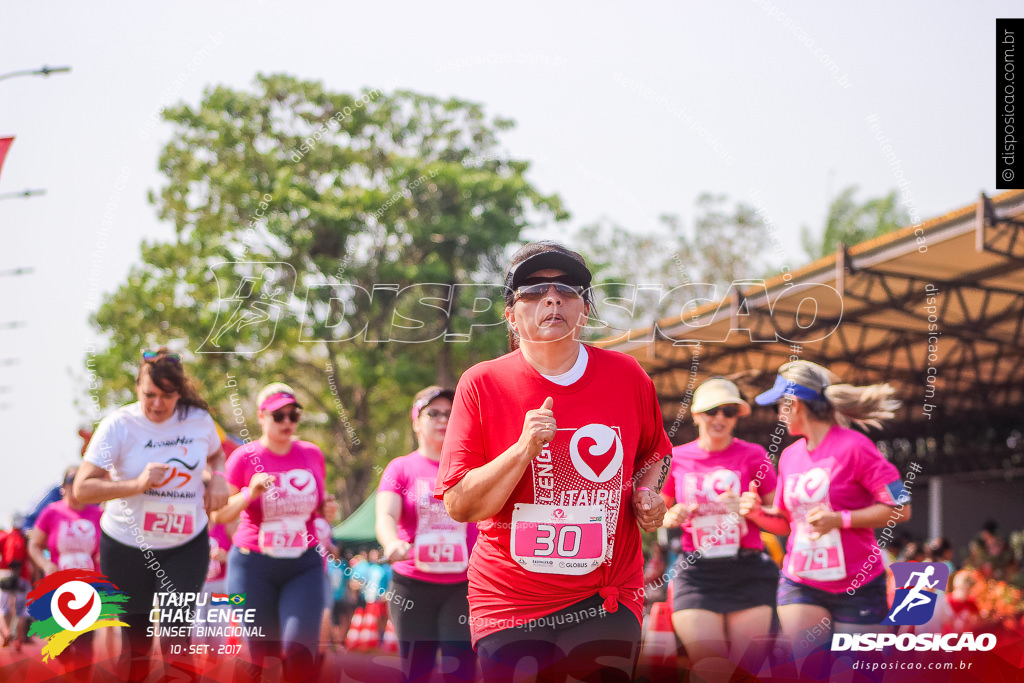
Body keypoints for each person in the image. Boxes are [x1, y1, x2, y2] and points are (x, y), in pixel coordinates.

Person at [436, 241, 674, 682]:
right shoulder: (481, 384)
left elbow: (655, 452)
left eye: (568, 289)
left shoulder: (627, 376)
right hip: (510, 603)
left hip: (606, 598)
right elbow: (460, 505)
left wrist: (646, 493)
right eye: (533, 289)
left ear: (584, 310)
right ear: (510, 313)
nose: (552, 298)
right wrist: (522, 450)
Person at [741, 360, 912, 666]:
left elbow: (901, 506)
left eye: (780, 404)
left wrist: (842, 519)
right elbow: (784, 523)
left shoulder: (856, 447)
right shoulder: (790, 457)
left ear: (795, 405)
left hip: (859, 585)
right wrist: (756, 513)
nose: (778, 413)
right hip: (801, 583)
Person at [74, 348, 229, 678]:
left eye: (168, 396)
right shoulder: (119, 425)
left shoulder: (199, 420)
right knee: (137, 647)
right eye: (150, 395)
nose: (158, 404)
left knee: (177, 638)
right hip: (127, 546)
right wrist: (137, 484)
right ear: (137, 387)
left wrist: (218, 478)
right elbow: (83, 488)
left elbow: (217, 456)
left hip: (185, 545)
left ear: (180, 392)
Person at [661, 378, 778, 679]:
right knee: (710, 669)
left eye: (729, 411)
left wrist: (752, 511)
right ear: (698, 415)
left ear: (737, 416)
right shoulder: (677, 457)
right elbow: (655, 514)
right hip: (697, 574)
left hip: (748, 570)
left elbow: (782, 521)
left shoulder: (754, 455)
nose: (720, 418)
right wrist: (670, 516)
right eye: (713, 411)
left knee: (745, 671)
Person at [214, 382, 332, 682]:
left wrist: (327, 509)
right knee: (261, 659)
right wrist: (248, 494)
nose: (287, 422)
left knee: (299, 652)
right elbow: (219, 514)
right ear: (261, 417)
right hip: (253, 565)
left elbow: (320, 504)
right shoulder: (243, 458)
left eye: (294, 415)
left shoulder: (312, 454)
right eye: (279, 416)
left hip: (303, 564)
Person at [376, 386, 479, 683]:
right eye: (433, 413)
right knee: (416, 673)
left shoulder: (472, 467)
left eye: (449, 413)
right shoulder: (401, 468)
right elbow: (386, 515)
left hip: (462, 586)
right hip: (411, 586)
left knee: (461, 672)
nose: (442, 419)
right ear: (415, 421)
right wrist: (391, 542)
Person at [28, 466, 103, 678]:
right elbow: (34, 545)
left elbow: (104, 549)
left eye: (81, 481)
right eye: (71, 481)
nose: (75, 486)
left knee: (85, 642)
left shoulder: (97, 514)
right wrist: (46, 564)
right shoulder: (51, 512)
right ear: (63, 487)